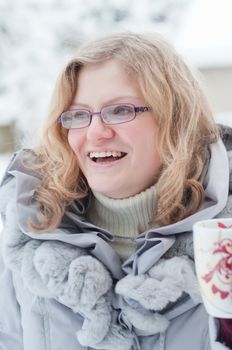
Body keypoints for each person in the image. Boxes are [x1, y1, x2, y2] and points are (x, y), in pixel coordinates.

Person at [0, 31, 232, 350]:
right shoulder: (31, 235)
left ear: (176, 118)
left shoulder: (224, 240)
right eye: (78, 115)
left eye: (121, 110)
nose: (95, 132)